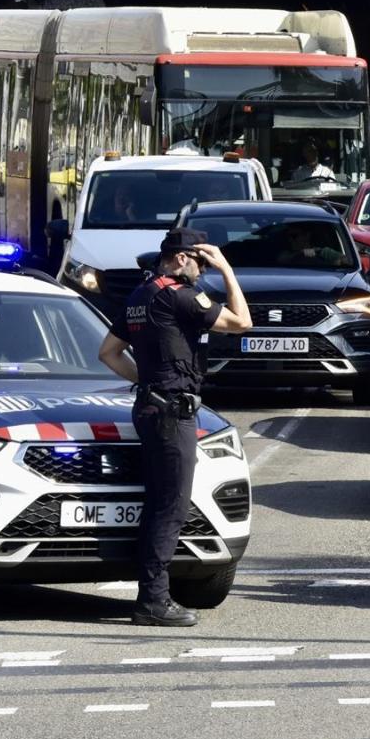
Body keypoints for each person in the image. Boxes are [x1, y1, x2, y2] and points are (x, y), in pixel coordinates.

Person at [98, 229, 252, 627]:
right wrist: (227, 270)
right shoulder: (180, 295)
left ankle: (152, 594)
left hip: (150, 408)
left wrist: (146, 382)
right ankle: (154, 600)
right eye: (202, 263)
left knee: (158, 505)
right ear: (183, 258)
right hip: (172, 415)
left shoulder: (141, 294)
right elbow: (242, 323)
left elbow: (108, 353)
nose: (203, 272)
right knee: (171, 508)